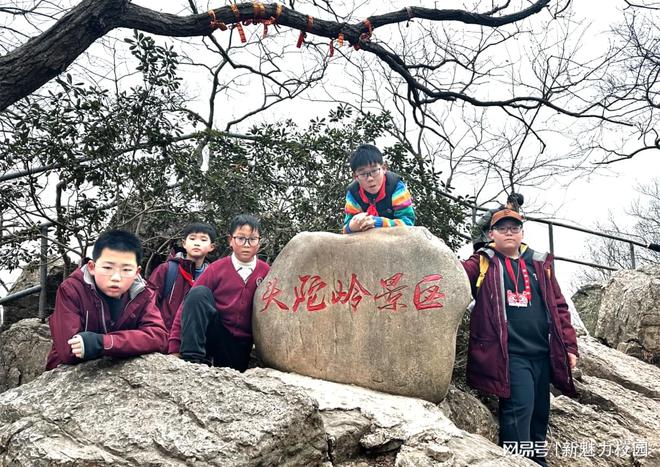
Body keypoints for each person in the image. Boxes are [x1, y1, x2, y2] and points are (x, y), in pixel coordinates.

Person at [462, 209, 578, 467]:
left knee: (539, 415)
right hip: (510, 355)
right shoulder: (483, 262)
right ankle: (517, 462)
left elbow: (559, 307)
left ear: (522, 232)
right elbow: (454, 274)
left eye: (514, 228)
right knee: (519, 413)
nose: (509, 232)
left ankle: (538, 461)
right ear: (491, 234)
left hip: (542, 354)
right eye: (502, 228)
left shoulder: (539, 263)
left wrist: (569, 347)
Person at [46, 229, 168, 370]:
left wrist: (103, 343)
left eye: (126, 270)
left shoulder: (142, 293)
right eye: (108, 268)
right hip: (66, 377)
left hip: (123, 372)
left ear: (137, 273)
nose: (116, 277)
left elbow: (159, 337)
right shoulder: (72, 289)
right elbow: (69, 350)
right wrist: (132, 342)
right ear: (92, 267)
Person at [168, 214, 270, 371]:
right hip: (216, 334)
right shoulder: (217, 268)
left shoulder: (266, 272)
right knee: (198, 293)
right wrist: (174, 346)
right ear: (230, 240)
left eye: (252, 239)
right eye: (241, 238)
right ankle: (192, 359)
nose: (247, 244)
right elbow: (188, 304)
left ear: (259, 242)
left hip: (242, 346)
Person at [148, 222, 217, 331]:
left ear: (212, 247)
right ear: (184, 243)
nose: (197, 243)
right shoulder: (166, 270)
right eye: (192, 239)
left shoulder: (214, 276)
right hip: (165, 339)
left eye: (203, 240)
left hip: (198, 341)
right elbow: (148, 304)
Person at [342, 143, 416, 233]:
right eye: (362, 174)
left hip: (395, 240)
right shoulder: (353, 193)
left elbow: (408, 223)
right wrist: (352, 227)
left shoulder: (396, 187)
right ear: (355, 177)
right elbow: (345, 229)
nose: (370, 178)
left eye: (374, 171)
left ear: (384, 168)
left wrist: (378, 222)